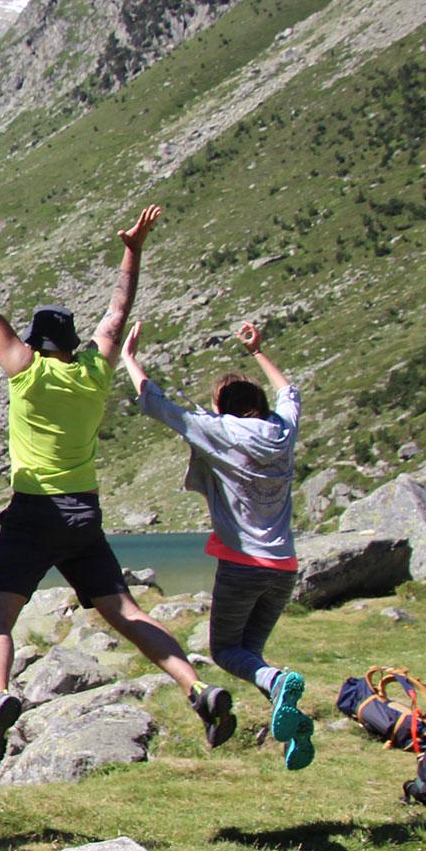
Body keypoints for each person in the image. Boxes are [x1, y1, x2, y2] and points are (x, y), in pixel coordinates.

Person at [0, 206, 225, 771]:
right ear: (73, 343)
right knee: (125, 612)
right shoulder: (95, 371)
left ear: (35, 341)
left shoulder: (25, 370)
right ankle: (195, 686)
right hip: (84, 514)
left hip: (33, 514)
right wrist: (133, 247)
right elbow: (118, 310)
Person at [121, 319, 313, 769]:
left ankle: (280, 683)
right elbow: (291, 395)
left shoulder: (219, 432)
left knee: (225, 652)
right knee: (252, 655)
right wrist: (258, 351)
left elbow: (158, 404)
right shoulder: (282, 433)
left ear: (222, 407)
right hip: (284, 567)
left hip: (243, 563)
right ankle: (293, 720)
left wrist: (129, 358)